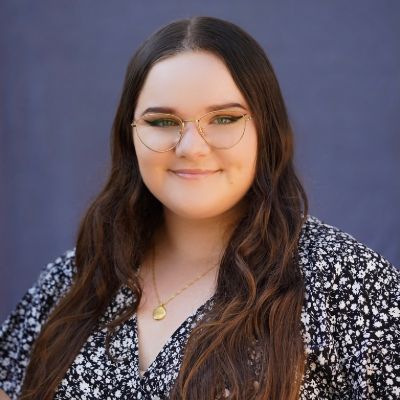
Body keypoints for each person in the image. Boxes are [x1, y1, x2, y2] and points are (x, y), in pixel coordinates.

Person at [0, 16, 399, 400]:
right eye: (162, 122)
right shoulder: (77, 278)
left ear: (267, 130)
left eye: (224, 118)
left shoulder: (345, 281)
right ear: (130, 136)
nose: (191, 147)